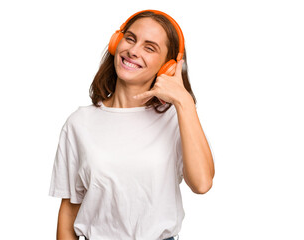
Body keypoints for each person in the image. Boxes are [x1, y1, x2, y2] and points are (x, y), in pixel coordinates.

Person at [49, 9, 215, 240]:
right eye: (130, 38)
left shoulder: (176, 118)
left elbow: (202, 183)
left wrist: (184, 100)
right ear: (116, 42)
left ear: (168, 65)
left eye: (150, 47)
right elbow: (69, 211)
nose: (133, 51)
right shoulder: (79, 123)